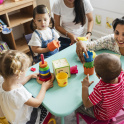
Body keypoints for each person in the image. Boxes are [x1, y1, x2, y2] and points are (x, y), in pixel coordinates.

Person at [0, 50, 54, 124]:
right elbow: (37, 103)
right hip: (27, 121)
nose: (26, 73)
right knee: (48, 107)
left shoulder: (3, 81)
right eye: (25, 71)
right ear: (18, 74)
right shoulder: (18, 93)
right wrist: (44, 88)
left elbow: (18, 82)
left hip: (13, 119)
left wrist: (30, 76)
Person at [76, 53, 124, 120]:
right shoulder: (122, 76)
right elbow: (119, 69)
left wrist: (85, 86)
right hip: (117, 108)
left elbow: (86, 104)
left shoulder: (101, 89)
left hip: (103, 116)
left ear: (98, 76)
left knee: (77, 105)